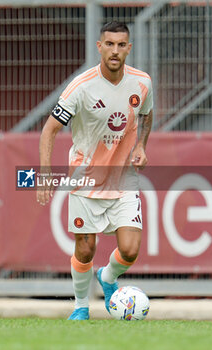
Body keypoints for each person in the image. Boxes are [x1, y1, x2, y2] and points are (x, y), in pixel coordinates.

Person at [37, 21, 153, 320]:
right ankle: (80, 306)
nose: (115, 50)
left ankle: (108, 277)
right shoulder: (81, 87)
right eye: (109, 44)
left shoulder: (142, 82)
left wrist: (141, 145)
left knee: (129, 250)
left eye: (121, 44)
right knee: (85, 249)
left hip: (123, 178)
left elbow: (147, 113)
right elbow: (49, 130)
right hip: (85, 179)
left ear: (129, 48)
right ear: (99, 46)